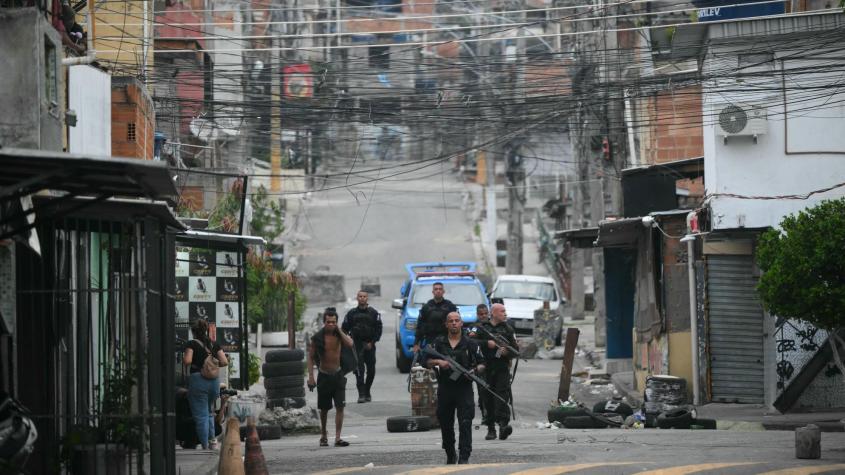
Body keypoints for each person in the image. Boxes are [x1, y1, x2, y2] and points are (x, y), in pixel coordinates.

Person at [423, 312, 485, 465]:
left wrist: (474, 371)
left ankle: (464, 456)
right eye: (451, 321)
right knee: (445, 423)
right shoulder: (439, 343)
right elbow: (425, 360)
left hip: (464, 388)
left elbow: (482, 363)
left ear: (462, 323)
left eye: (457, 320)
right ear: (446, 324)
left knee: (465, 422)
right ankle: (450, 453)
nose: (454, 323)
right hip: (446, 388)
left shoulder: (471, 344)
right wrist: (439, 361)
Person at [308, 308, 355, 447]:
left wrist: (339, 330)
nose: (330, 324)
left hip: (338, 375)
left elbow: (350, 344)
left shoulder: (339, 335)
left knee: (340, 407)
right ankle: (323, 435)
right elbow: (310, 357)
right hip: (324, 375)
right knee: (324, 409)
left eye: (333, 322)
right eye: (328, 322)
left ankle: (338, 437)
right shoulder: (318, 337)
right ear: (324, 322)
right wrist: (311, 377)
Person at [182, 319, 228, 450]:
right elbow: (224, 362)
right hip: (214, 383)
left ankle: (205, 446)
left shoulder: (191, 344)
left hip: (198, 381)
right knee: (209, 413)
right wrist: (211, 366)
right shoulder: (214, 344)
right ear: (206, 330)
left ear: (193, 332)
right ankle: (213, 442)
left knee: (201, 415)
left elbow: (187, 361)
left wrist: (189, 359)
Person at [478, 303, 518, 441]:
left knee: (502, 396)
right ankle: (491, 429)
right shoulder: (483, 328)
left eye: (505, 311)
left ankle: (503, 426)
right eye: (502, 311)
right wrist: (486, 343)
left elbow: (515, 350)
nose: (505, 313)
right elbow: (471, 342)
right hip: (485, 368)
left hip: (501, 368)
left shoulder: (507, 329)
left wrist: (507, 352)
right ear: (493, 313)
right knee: (487, 398)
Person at [342, 290, 383, 403]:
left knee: (371, 371)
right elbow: (344, 329)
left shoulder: (374, 313)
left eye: (364, 296)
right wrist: (348, 342)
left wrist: (372, 342)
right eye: (360, 296)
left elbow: (379, 330)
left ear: (367, 298)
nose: (362, 298)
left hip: (369, 345)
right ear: (357, 298)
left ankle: (367, 390)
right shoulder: (351, 314)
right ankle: (361, 394)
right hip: (356, 346)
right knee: (359, 371)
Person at [413, 282, 458, 354]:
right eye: (436, 289)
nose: (438, 291)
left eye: (440, 289)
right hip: (430, 340)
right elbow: (420, 326)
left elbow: (458, 325)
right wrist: (416, 344)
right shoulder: (426, 307)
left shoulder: (450, 306)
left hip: (447, 340)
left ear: (443, 291)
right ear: (433, 292)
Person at [466, 304, 490, 429]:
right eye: (481, 314)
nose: (484, 316)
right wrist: (486, 343)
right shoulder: (473, 328)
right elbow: (471, 341)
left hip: (493, 363)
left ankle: (494, 414)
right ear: (477, 314)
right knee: (482, 390)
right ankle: (485, 415)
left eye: (486, 313)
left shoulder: (492, 326)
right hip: (480, 363)